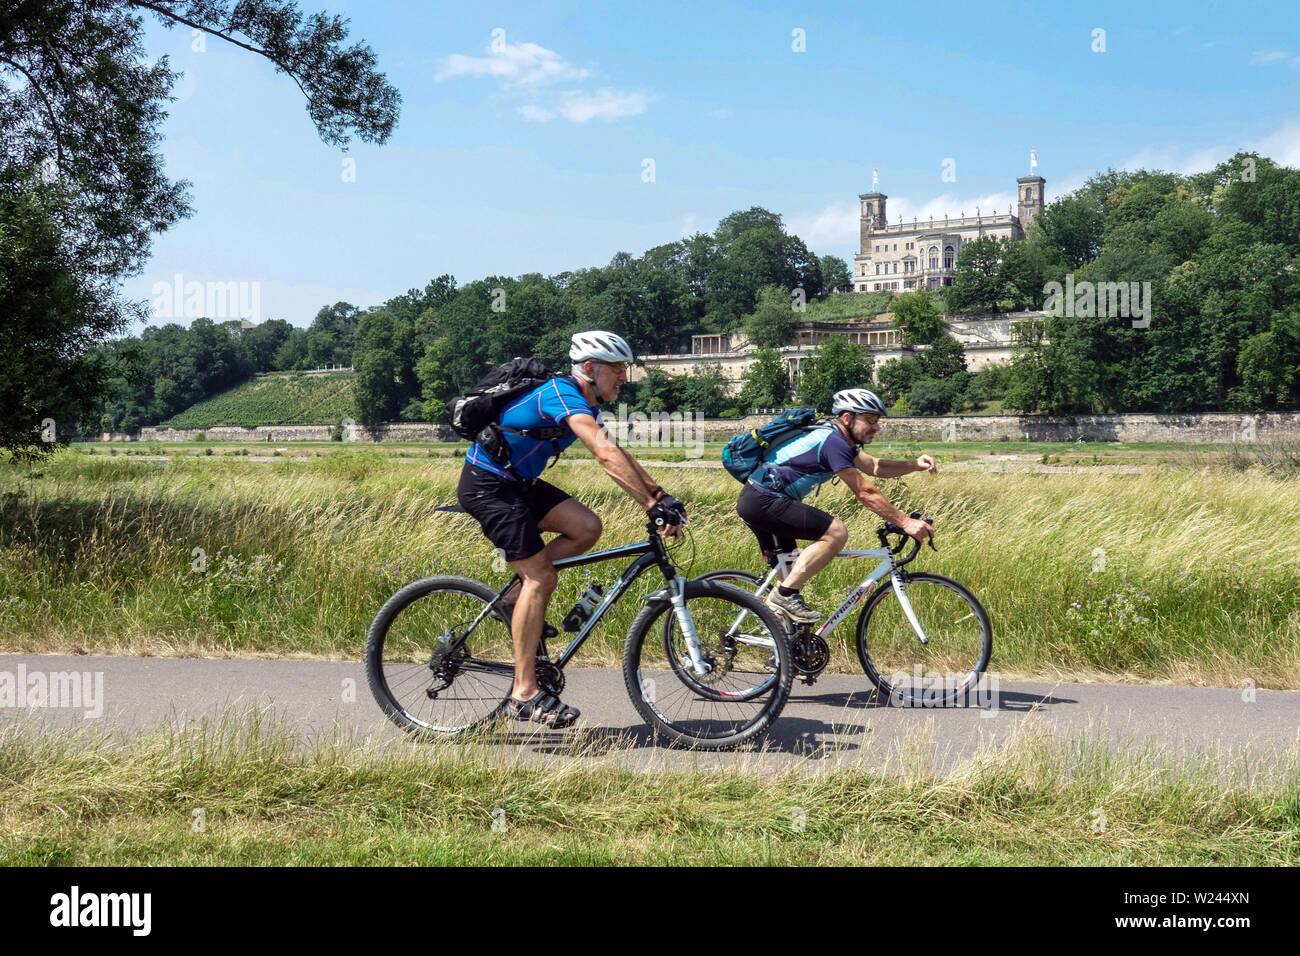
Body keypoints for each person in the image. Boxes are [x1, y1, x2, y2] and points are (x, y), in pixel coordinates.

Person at [457, 331, 686, 728]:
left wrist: (659, 495)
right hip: (489, 487)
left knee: (586, 527)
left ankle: (514, 599)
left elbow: (618, 451)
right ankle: (523, 693)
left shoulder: (581, 402)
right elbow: (604, 454)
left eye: (624, 369)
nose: (623, 378)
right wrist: (650, 505)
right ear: (589, 368)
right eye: (617, 369)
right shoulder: (560, 393)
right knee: (541, 578)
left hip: (519, 485)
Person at [735, 387, 936, 623]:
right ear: (847, 418)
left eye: (877, 420)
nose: (876, 426)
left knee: (790, 584)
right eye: (870, 419)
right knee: (836, 533)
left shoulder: (837, 439)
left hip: (761, 501)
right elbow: (865, 492)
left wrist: (914, 464)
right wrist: (905, 522)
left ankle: (783, 654)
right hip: (764, 501)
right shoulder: (833, 441)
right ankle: (784, 596)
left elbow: (874, 466)